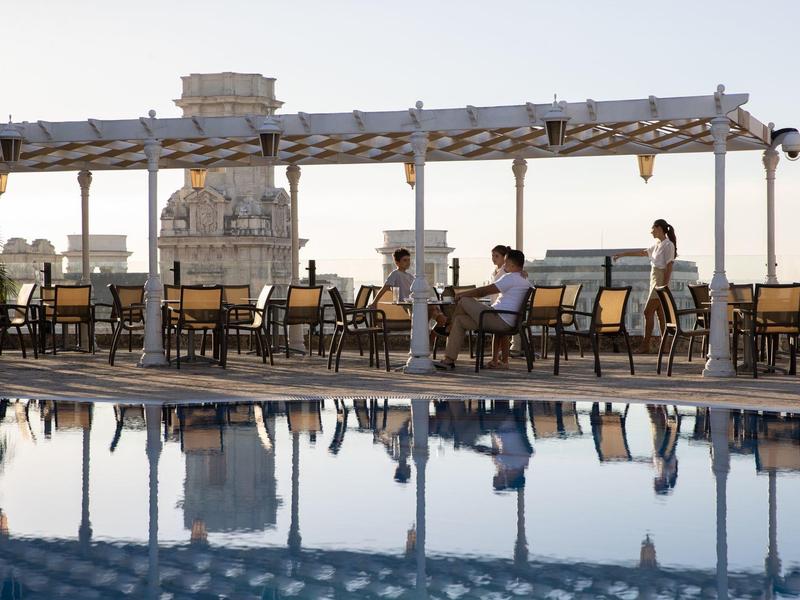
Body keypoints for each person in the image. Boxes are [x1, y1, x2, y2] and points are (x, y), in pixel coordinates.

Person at [435, 249, 531, 369]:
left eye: (506, 263)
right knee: (459, 320)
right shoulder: (524, 279)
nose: (504, 265)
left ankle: (449, 326)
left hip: (499, 319)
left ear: (511, 265)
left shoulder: (511, 278)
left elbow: (483, 292)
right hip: (502, 319)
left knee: (464, 300)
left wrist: (462, 294)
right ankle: (449, 360)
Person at [612, 219, 677, 353]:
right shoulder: (657, 244)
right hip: (654, 280)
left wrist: (664, 286)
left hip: (660, 282)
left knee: (647, 312)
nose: (651, 232)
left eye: (652, 228)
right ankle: (664, 346)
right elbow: (642, 252)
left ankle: (646, 345)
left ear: (658, 228)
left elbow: (669, 266)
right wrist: (623, 254)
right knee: (660, 315)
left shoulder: (668, 245)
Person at [371, 247, 446, 328]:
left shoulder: (410, 276)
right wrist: (374, 302)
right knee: (435, 311)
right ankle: (427, 331)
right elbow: (385, 288)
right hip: (408, 306)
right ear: (397, 262)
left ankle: (428, 332)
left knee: (439, 316)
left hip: (417, 304)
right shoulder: (395, 274)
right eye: (405, 260)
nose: (408, 262)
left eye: (409, 260)